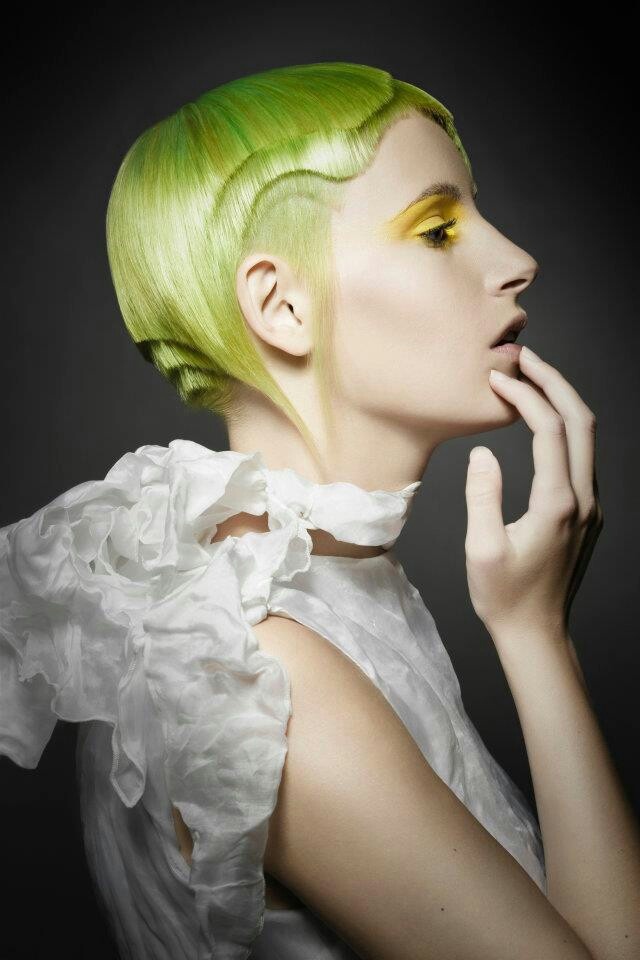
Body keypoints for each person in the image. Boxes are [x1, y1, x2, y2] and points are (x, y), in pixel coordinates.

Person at [1, 62, 638, 960]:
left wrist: (532, 627)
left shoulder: (315, 592)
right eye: (440, 229)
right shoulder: (260, 673)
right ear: (282, 304)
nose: (516, 262)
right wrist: (537, 640)